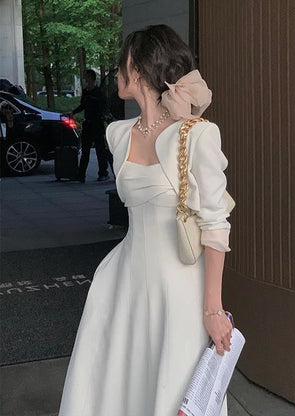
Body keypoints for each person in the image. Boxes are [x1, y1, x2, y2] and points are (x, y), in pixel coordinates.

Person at [58, 25, 233, 416]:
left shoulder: (197, 135)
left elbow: (216, 225)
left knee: (173, 390)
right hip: (124, 281)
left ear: (136, 68)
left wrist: (213, 308)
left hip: (178, 288)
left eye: (122, 61)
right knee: (120, 389)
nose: (116, 70)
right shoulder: (118, 134)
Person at [70, 69, 110, 182]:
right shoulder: (86, 92)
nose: (85, 79)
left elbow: (103, 107)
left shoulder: (98, 92)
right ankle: (81, 174)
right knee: (85, 151)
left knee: (100, 150)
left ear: (91, 78)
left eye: (86, 77)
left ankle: (103, 173)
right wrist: (73, 112)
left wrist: (104, 117)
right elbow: (82, 105)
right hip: (88, 124)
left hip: (97, 124)